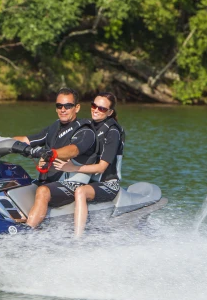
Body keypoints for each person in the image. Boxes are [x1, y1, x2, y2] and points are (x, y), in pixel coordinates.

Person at [10, 88, 96, 228]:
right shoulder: (54, 127)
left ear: (77, 107)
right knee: (15, 183)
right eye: (59, 106)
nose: (63, 109)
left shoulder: (85, 130)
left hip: (73, 183)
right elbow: (26, 140)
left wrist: (49, 153)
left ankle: (27, 234)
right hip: (50, 181)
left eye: (68, 106)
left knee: (43, 191)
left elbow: (73, 150)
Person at [53, 93, 124, 237]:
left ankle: (78, 239)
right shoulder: (88, 127)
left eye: (102, 108)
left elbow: (101, 168)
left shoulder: (113, 132)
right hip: (88, 181)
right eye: (94, 105)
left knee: (81, 192)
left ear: (110, 112)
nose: (96, 110)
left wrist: (72, 168)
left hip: (109, 184)